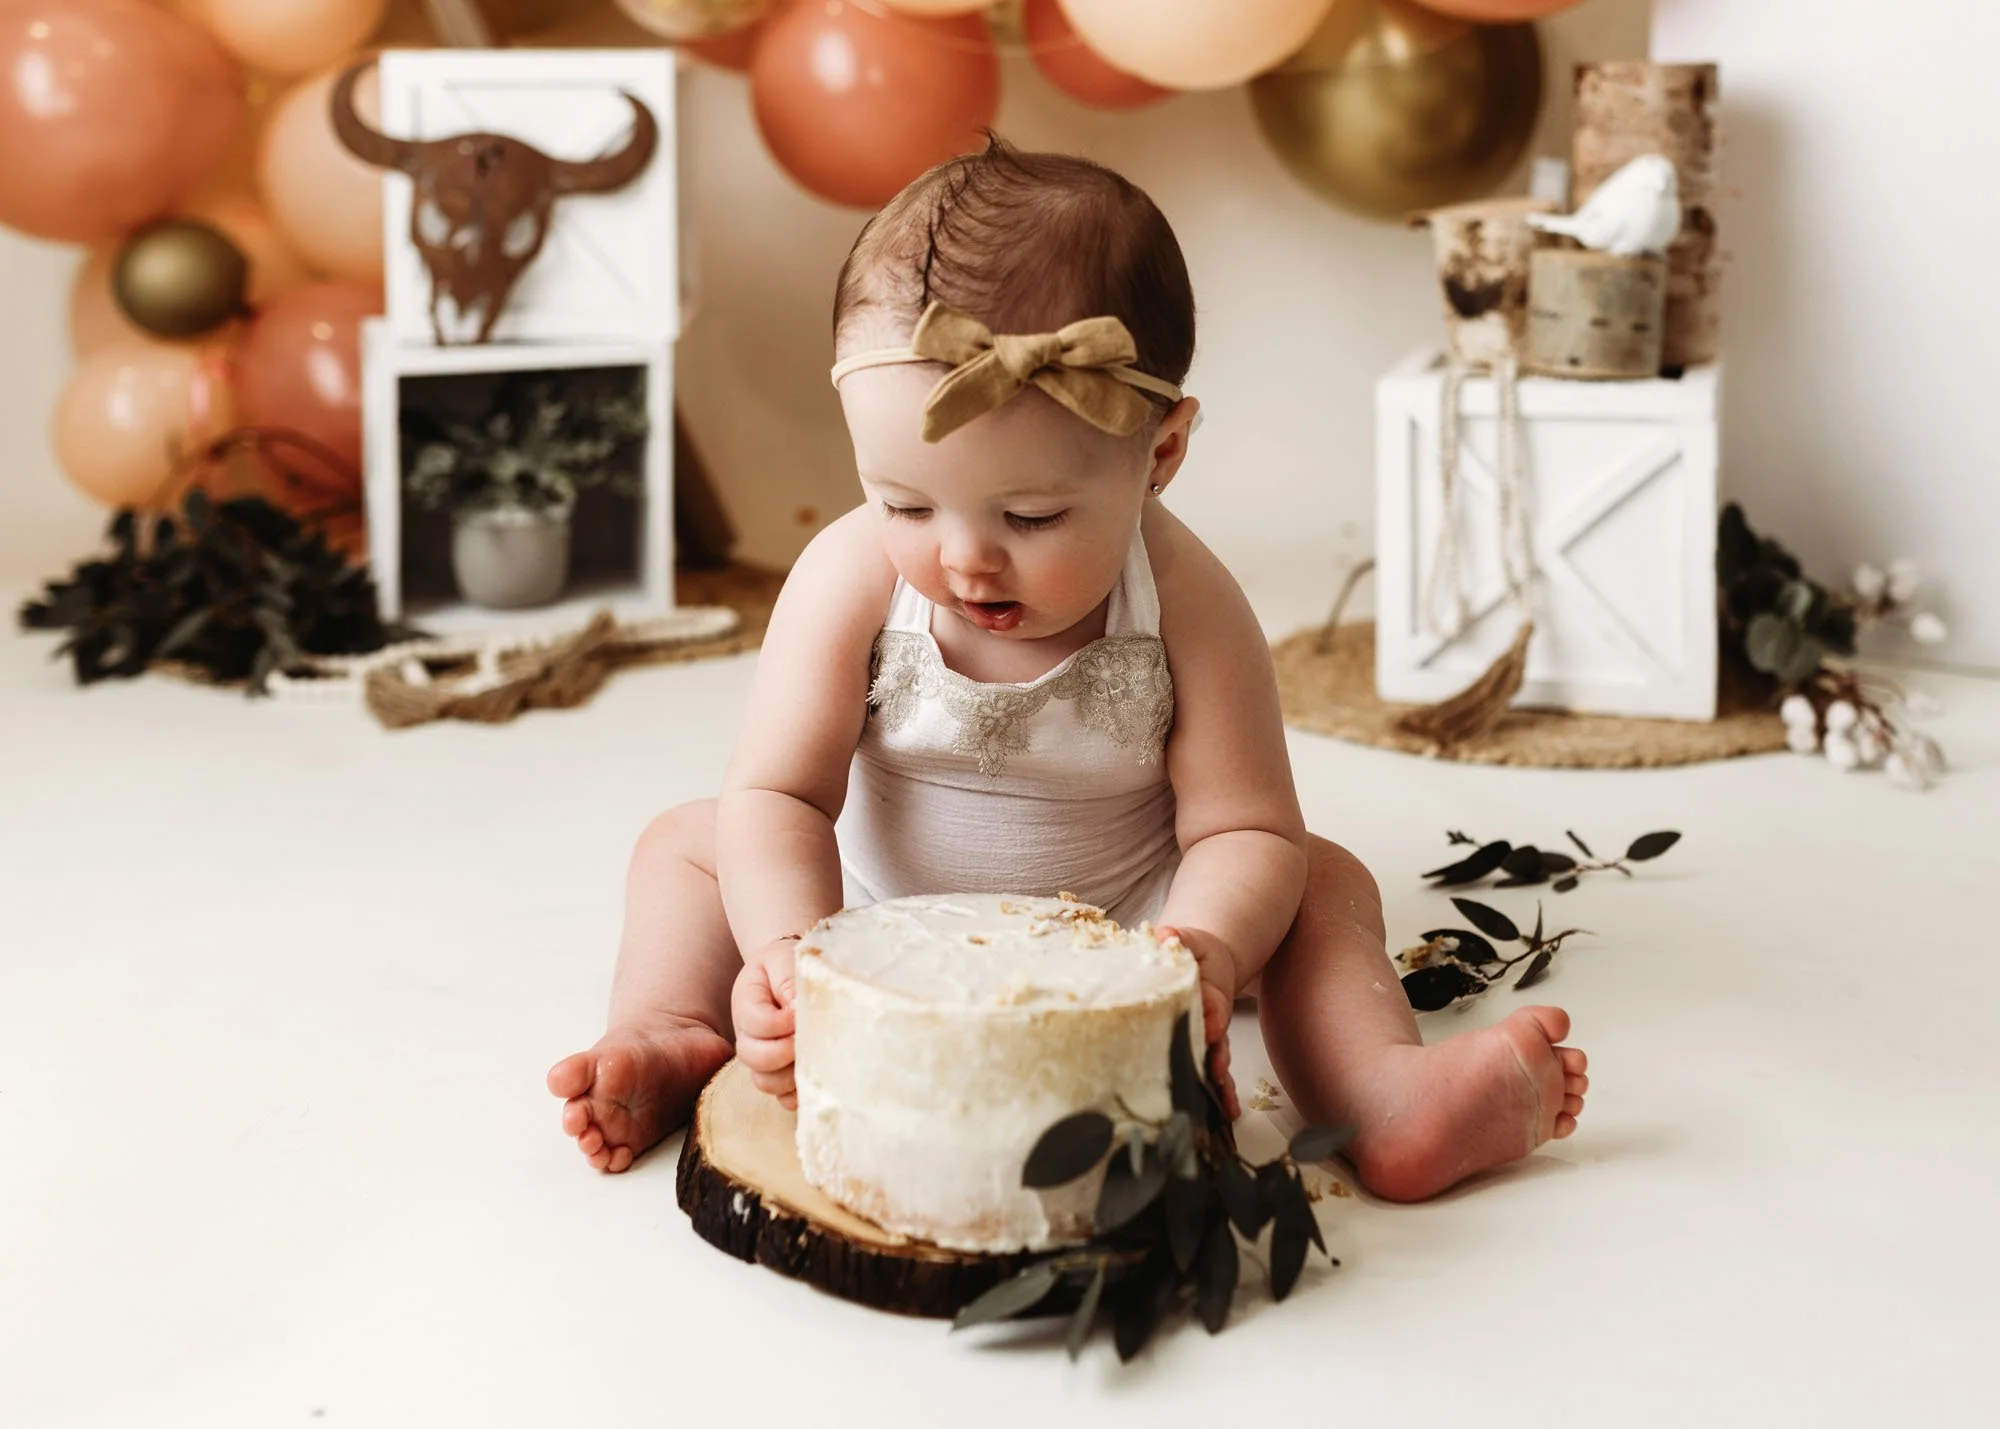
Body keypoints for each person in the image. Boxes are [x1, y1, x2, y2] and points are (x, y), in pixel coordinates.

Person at [547, 140, 1587, 1202]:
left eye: (1031, 515)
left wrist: (1202, 951)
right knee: (687, 843)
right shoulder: (846, 577)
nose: (961, 556)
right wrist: (787, 949)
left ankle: (1381, 1099)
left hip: (1123, 927)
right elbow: (777, 792)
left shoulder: (1185, 599)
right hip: (859, 908)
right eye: (904, 502)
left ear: (1161, 452)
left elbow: (1242, 829)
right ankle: (670, 1029)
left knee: (1319, 880)